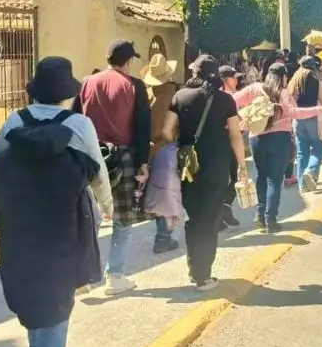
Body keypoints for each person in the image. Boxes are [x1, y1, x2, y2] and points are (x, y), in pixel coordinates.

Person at [0, 57, 111, 347]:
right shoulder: (79, 125)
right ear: (65, 92)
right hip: (65, 220)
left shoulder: (14, 122)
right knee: (59, 290)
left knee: (30, 285)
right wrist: (107, 207)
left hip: (19, 219)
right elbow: (98, 174)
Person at [161, 56, 248, 290]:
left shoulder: (180, 96)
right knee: (210, 219)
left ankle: (194, 270)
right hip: (217, 164)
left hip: (188, 167)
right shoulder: (225, 100)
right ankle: (203, 274)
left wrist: (184, 143)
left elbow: (167, 131)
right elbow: (235, 135)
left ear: (196, 73)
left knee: (194, 217)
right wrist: (242, 165)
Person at [76, 40, 151, 296]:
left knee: (89, 216)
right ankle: (115, 276)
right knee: (122, 219)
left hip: (90, 156)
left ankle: (81, 277)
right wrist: (143, 162)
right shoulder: (134, 86)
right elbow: (143, 128)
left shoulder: (87, 82)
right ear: (128, 61)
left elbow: (76, 119)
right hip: (124, 156)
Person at [235, 63, 322, 233]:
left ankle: (259, 215)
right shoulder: (283, 93)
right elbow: (295, 112)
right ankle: (271, 219)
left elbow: (233, 101)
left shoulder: (254, 88)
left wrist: (240, 120)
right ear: (284, 76)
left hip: (256, 139)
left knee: (262, 176)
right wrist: (320, 109)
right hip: (279, 140)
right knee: (274, 180)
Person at [141, 53, 181, 255]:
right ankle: (163, 238)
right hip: (169, 148)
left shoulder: (147, 96)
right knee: (169, 194)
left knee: (157, 193)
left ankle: (162, 234)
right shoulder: (174, 95)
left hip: (149, 150)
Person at [288, 56, 322, 192]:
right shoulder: (315, 80)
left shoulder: (293, 81)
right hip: (313, 118)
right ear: (313, 67)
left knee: (302, 152)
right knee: (320, 147)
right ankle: (311, 170)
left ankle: (302, 185)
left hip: (297, 121)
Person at [217, 65, 243, 230]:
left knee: (234, 177)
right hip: (227, 139)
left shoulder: (233, 96)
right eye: (234, 77)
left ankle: (224, 208)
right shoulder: (226, 98)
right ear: (226, 80)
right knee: (236, 175)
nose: (237, 80)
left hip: (228, 139)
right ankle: (223, 208)